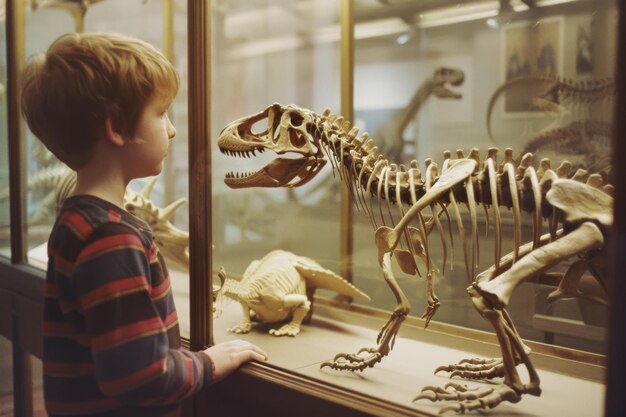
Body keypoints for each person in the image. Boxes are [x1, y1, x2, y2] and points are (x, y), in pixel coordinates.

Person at [21, 32, 267, 417]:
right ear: (115, 128)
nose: (170, 129)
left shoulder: (75, 220)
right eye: (161, 113)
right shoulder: (111, 239)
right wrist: (209, 363)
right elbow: (140, 375)